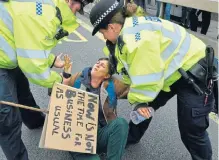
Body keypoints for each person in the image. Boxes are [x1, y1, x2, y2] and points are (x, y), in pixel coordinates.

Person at [89, 0, 217, 159]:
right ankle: (129, 137)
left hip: (193, 71)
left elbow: (146, 80)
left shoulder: (136, 41)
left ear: (112, 27)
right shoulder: (127, 29)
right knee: (142, 108)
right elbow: (131, 68)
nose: (103, 37)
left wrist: (135, 99)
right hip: (171, 69)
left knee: (192, 128)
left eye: (102, 32)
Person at [0, 0, 93, 159]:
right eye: (81, 5)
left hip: (7, 55)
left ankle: (35, 121)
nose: (80, 9)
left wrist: (51, 60)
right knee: (7, 118)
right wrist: (60, 81)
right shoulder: (43, 13)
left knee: (23, 92)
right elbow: (34, 66)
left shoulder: (48, 7)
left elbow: (29, 42)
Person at [68, 58, 129, 160]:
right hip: (77, 136)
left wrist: (141, 104)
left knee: (121, 123)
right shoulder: (78, 78)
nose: (97, 65)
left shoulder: (112, 84)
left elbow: (132, 92)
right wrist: (65, 78)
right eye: (97, 63)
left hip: (99, 132)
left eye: (102, 66)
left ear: (107, 75)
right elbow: (55, 91)